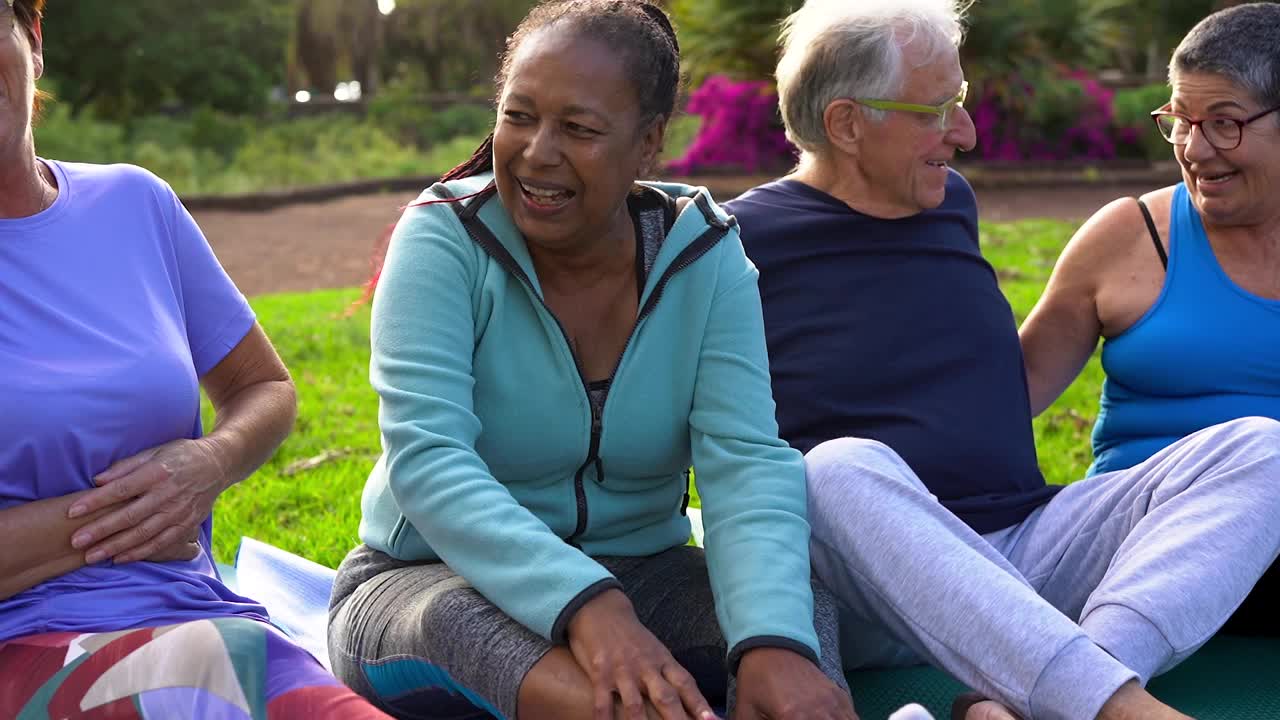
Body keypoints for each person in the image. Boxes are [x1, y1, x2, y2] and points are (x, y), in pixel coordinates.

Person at [722, 1, 1280, 718]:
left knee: (1263, 446)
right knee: (831, 468)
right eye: (937, 110)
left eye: (958, 103)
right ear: (846, 124)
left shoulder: (946, 202)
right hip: (874, 575)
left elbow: (1001, 385)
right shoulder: (733, 242)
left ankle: (1034, 700)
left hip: (1023, 546)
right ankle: (1116, 709)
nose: (967, 131)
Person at [326, 2, 863, 720]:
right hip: (431, 580)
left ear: (647, 145)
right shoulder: (442, 241)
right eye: (519, 116)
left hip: (648, 570)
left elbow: (745, 460)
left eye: (578, 129)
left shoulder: (704, 255)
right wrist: (589, 605)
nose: (537, 152)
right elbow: (430, 462)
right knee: (518, 655)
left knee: (794, 627)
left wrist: (772, 642)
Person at [0, 1, 389, 716]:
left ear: (32, 37)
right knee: (222, 677)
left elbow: (264, 387)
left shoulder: (135, 203)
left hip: (197, 608)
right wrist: (125, 517)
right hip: (25, 643)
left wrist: (210, 463)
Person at [1019, 2, 1280, 636]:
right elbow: (1005, 396)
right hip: (1134, 538)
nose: (1194, 149)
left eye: (1224, 123)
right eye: (1180, 121)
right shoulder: (1129, 236)